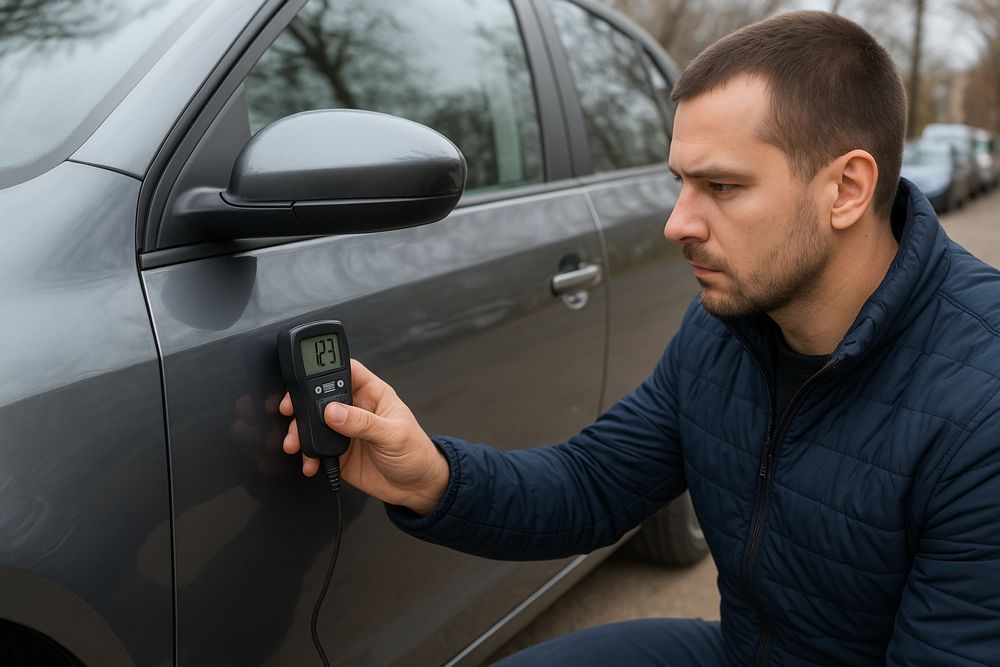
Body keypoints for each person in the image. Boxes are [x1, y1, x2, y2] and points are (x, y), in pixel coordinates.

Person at [282, 10, 1000, 666]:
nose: (677, 222)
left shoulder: (981, 398)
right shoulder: (726, 334)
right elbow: (590, 486)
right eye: (680, 182)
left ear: (846, 189)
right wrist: (431, 475)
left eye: (721, 187)